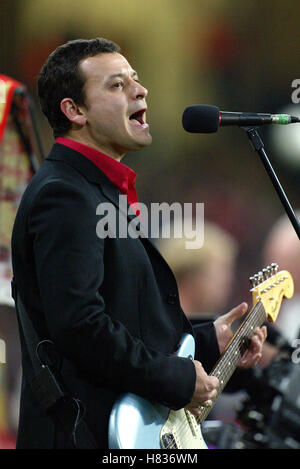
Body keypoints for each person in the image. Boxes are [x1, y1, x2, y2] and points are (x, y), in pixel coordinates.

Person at [11, 38, 266, 449]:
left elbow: (125, 325)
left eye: (136, 79)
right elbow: (79, 326)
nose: (140, 89)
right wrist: (177, 378)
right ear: (74, 111)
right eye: (116, 85)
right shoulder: (65, 194)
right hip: (85, 435)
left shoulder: (98, 191)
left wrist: (205, 340)